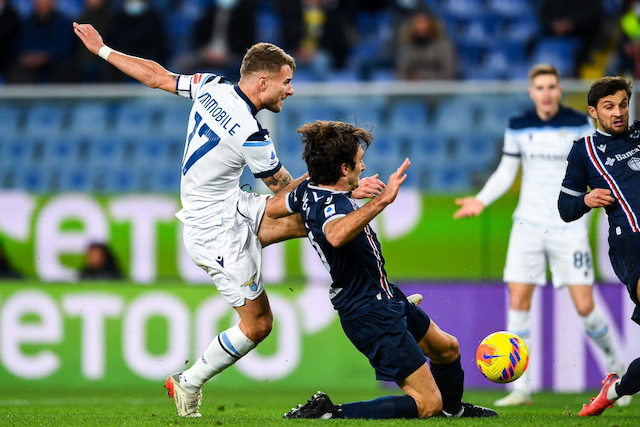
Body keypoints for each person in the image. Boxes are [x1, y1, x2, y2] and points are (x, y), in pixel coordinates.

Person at [73, 23, 383, 418]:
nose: (290, 90)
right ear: (263, 80)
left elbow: (158, 77)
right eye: (286, 82)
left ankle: (375, 299)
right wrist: (341, 186)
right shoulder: (251, 133)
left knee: (318, 218)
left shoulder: (212, 85)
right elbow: (285, 193)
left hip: (230, 204)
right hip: (213, 230)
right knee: (258, 325)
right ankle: (188, 382)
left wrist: (102, 50)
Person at [266, 120, 497, 419]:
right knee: (427, 403)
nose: (364, 167)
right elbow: (335, 234)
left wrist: (338, 182)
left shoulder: (309, 191)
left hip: (383, 295)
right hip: (368, 311)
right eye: (359, 163)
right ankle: (330, 412)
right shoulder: (328, 207)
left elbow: (273, 208)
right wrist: (383, 200)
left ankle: (455, 412)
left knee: (447, 349)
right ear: (344, 169)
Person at [453, 64, 628, 407]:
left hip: (569, 226)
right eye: (540, 87)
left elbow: (598, 166)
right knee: (518, 299)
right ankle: (521, 388)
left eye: (551, 86)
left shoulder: (579, 124)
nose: (546, 93)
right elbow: (507, 170)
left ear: (559, 90)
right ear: (532, 93)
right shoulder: (519, 126)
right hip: (527, 225)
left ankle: (617, 372)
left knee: (585, 306)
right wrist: (481, 199)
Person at [559, 76, 640, 416]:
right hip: (631, 246)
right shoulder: (584, 151)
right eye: (609, 107)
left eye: (623, 104)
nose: (618, 112)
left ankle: (615, 389)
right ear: (594, 111)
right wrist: (587, 199)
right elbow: (565, 209)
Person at [395, 10, 457, 81]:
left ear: (432, 24)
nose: (421, 26)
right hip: (411, 89)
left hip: (438, 88)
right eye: (418, 22)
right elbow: (400, 71)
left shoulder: (443, 45)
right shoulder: (407, 45)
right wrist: (410, 80)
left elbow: (449, 72)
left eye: (424, 22)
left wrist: (421, 78)